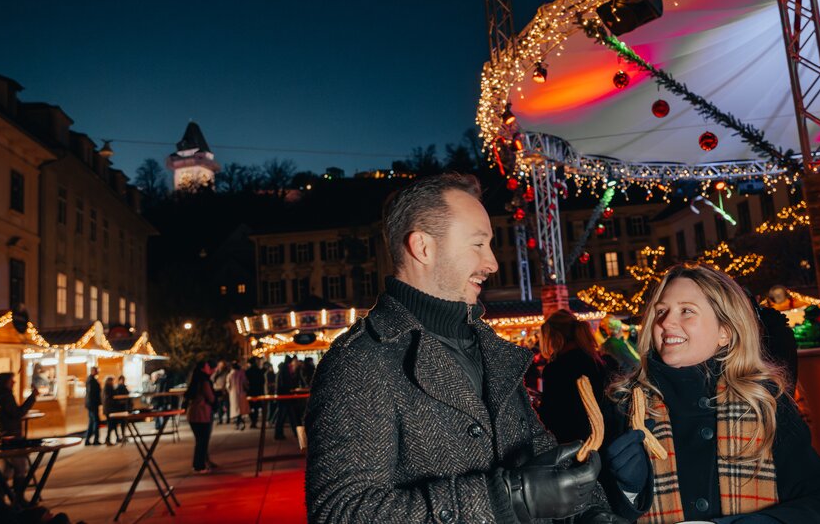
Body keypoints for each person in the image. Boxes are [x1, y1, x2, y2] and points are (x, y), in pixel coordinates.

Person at [305, 174, 622, 523]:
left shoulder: (492, 351)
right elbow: (340, 512)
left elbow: (538, 452)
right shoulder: (361, 360)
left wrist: (594, 508)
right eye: (478, 244)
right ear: (423, 247)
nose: (492, 263)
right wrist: (508, 500)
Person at [599, 263, 820, 523]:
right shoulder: (625, 407)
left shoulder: (763, 404)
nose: (666, 321)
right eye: (661, 311)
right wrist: (628, 491)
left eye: (687, 311)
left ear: (724, 332)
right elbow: (595, 511)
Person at [538, 309, 618, 445]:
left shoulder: (557, 368)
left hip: (574, 442)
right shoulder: (598, 361)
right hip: (605, 436)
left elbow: (551, 414)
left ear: (555, 337)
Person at [0, 372, 37, 496]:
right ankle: (18, 500)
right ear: (5, 382)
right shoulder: (6, 395)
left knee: (4, 471)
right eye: (11, 380)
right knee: (20, 468)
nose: (14, 382)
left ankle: (0, 502)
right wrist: (32, 397)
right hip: (10, 437)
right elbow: (17, 413)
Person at [185, 360, 217, 473]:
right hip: (202, 413)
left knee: (199, 440)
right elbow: (211, 397)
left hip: (193, 414)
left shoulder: (194, 380)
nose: (210, 368)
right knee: (202, 441)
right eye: (208, 366)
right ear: (203, 368)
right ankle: (199, 465)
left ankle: (202, 463)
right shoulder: (204, 381)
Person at [226, 361, 249, 430]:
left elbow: (228, 385)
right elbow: (245, 382)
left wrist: (229, 391)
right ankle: (240, 421)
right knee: (241, 408)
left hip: (233, 394)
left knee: (236, 409)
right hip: (241, 392)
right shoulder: (241, 373)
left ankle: (238, 422)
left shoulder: (230, 375)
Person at [245, 357, 265, 428]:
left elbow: (245, 382)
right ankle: (254, 421)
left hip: (250, 391)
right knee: (256, 407)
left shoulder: (248, 371)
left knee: (250, 407)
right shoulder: (258, 371)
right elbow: (262, 381)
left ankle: (253, 420)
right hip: (257, 391)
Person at [84, 367, 101, 446]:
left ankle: (87, 440)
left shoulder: (90, 379)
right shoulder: (91, 380)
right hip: (92, 404)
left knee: (92, 422)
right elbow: (92, 393)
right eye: (96, 371)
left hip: (91, 404)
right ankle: (95, 439)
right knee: (96, 421)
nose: (98, 372)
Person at [101, 376, 120, 445]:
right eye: (112, 381)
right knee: (111, 424)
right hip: (110, 409)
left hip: (108, 409)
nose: (113, 382)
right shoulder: (108, 388)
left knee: (113, 424)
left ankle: (117, 437)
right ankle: (107, 439)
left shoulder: (106, 388)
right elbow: (111, 398)